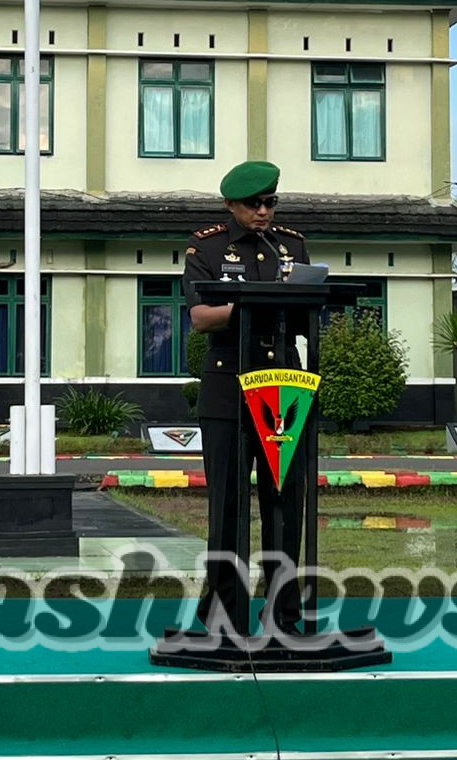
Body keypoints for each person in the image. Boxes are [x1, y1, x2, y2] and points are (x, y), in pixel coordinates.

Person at [183, 159, 311, 635]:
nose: (263, 211)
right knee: (228, 506)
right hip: (229, 387)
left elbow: (308, 309)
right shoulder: (207, 246)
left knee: (285, 505)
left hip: (283, 388)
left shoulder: (291, 245)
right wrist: (252, 303)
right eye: (254, 204)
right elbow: (200, 316)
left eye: (270, 202)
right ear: (231, 205)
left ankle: (283, 615)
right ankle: (224, 613)